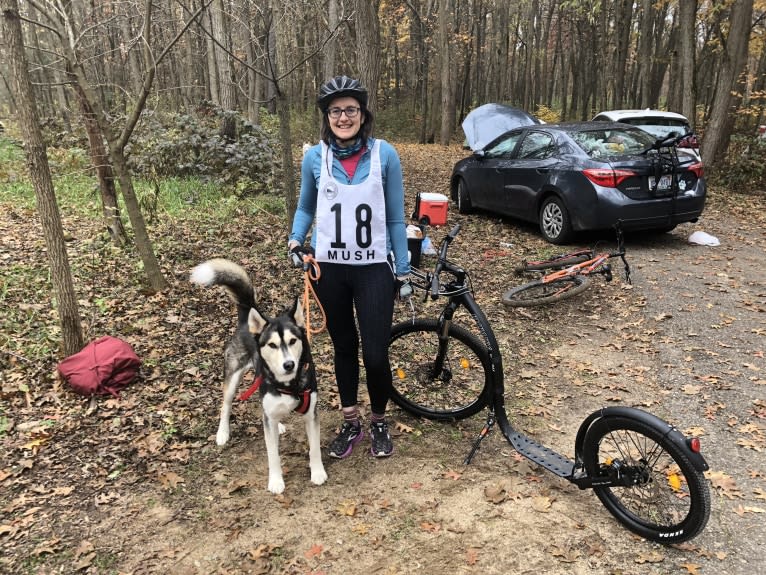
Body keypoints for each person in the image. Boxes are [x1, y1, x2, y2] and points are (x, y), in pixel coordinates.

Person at [288, 75, 412, 459]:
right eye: (336, 111)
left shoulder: (384, 154)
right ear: (327, 117)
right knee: (344, 346)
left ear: (363, 113)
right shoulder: (315, 158)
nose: (344, 117)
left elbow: (394, 217)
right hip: (329, 270)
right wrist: (295, 238)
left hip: (374, 268)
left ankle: (378, 420)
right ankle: (350, 421)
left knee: (375, 353)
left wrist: (403, 269)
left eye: (351, 110)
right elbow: (308, 206)